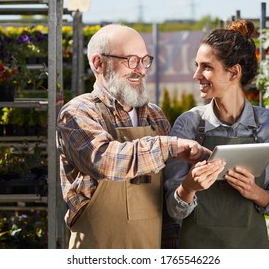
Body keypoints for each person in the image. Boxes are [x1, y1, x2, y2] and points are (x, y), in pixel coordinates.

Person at [56, 24, 213, 249]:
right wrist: (170, 147)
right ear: (98, 63)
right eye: (130, 60)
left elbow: (166, 199)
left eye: (144, 60)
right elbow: (105, 160)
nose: (140, 69)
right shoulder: (78, 112)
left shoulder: (154, 116)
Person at [164, 19, 269, 249]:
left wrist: (255, 192)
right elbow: (173, 211)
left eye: (206, 67)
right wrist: (189, 186)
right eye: (196, 65)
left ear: (234, 72)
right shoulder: (189, 125)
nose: (196, 75)